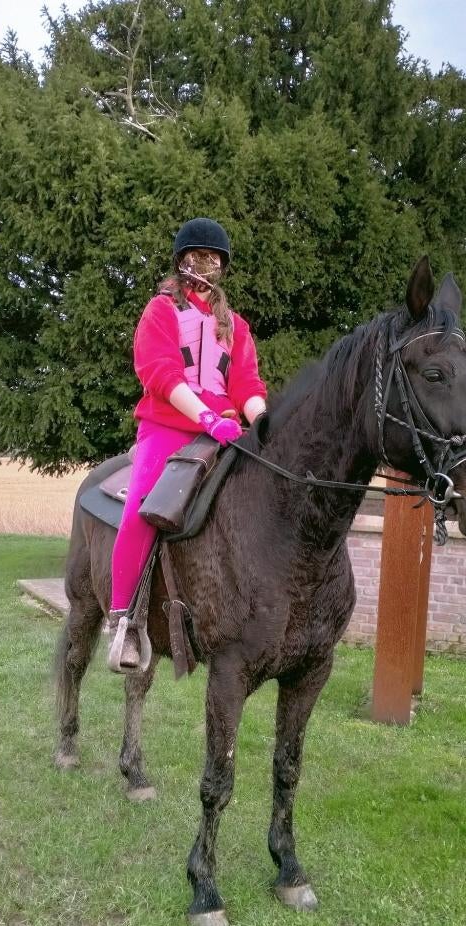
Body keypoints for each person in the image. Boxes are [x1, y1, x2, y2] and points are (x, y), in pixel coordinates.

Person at [107, 217, 267, 672]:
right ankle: (125, 622)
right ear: (182, 262)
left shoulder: (234, 325)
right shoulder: (160, 311)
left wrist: (262, 421)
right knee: (143, 506)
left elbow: (247, 384)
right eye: (198, 257)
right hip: (168, 425)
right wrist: (206, 418)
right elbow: (159, 374)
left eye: (214, 259)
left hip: (227, 428)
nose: (207, 265)